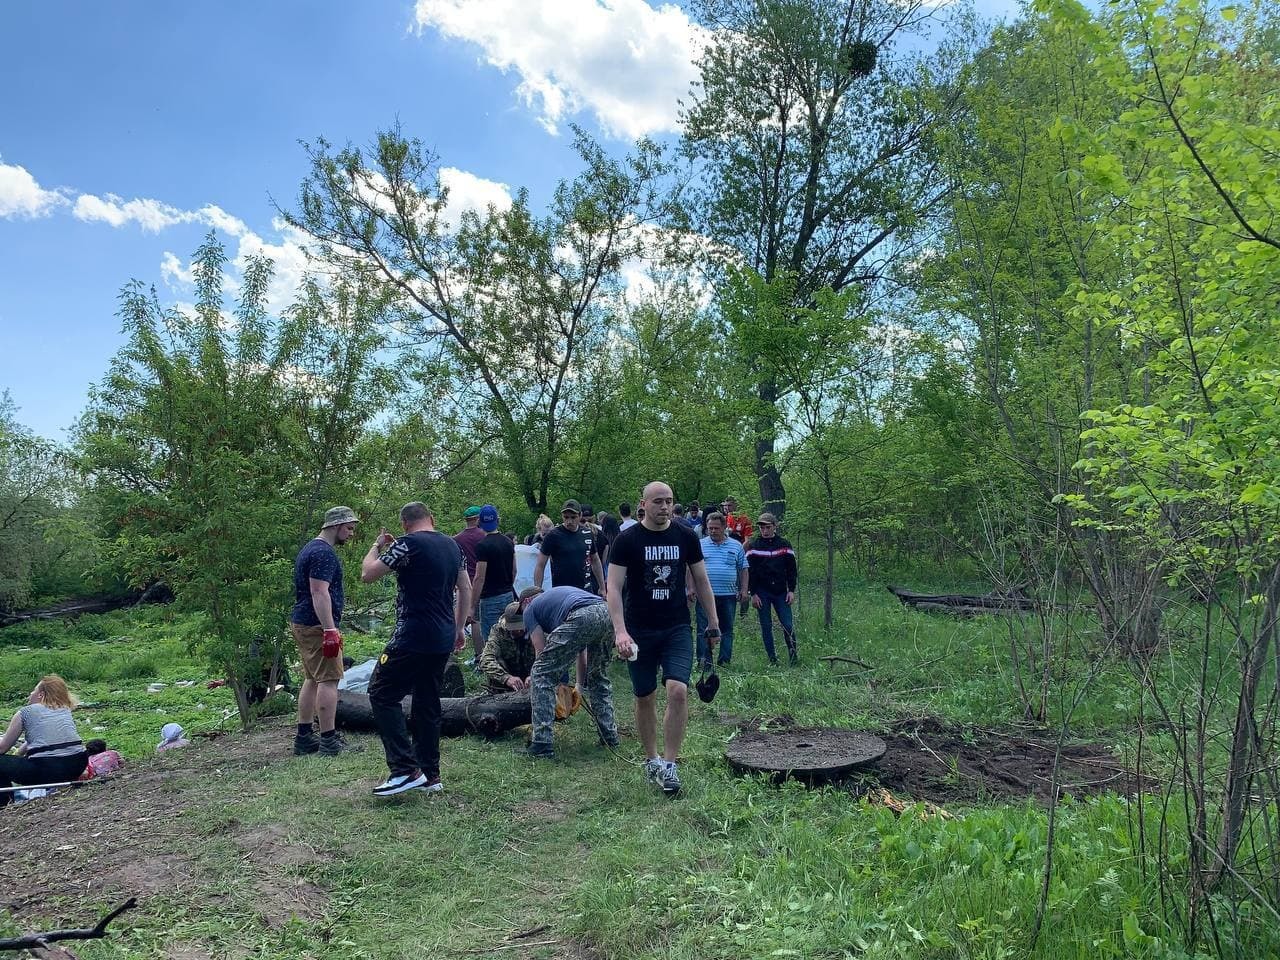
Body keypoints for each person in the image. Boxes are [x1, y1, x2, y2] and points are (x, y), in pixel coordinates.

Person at [607, 481, 721, 795]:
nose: (664, 507)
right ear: (642, 504)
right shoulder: (627, 540)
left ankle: (670, 766)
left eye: (669, 501)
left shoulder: (685, 535)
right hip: (638, 630)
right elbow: (613, 588)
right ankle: (651, 759)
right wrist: (620, 631)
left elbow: (701, 579)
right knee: (644, 696)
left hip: (676, 627)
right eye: (658, 501)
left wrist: (713, 622)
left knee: (678, 692)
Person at [360, 502, 471, 797]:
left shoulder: (407, 545)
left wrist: (376, 545)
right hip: (442, 636)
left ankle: (404, 769)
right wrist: (459, 628)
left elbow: (368, 573)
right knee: (427, 703)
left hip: (412, 635)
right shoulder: (453, 546)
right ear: (431, 519)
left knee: (381, 693)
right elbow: (466, 588)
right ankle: (431, 775)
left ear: (404, 524)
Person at [290, 505, 361, 757]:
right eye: (349, 528)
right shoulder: (324, 553)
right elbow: (319, 592)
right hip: (316, 625)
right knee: (329, 680)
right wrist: (330, 629)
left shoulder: (311, 548)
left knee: (312, 678)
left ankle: (304, 737)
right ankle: (329, 741)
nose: (351, 533)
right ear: (336, 526)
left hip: (303, 622)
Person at [521, 586, 620, 758]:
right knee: (598, 677)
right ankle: (610, 737)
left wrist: (541, 677)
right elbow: (580, 652)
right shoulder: (557, 603)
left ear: (526, 601)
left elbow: (540, 650)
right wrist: (579, 686)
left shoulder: (530, 608)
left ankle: (542, 744)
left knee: (540, 673)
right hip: (606, 611)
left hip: (582, 616)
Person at [0, 675, 88, 807]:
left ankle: (5, 804)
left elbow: (2, 748)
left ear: (40, 694)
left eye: (34, 690)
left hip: (47, 769)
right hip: (77, 765)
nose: (30, 693)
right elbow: (42, 742)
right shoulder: (64, 709)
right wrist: (19, 753)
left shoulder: (25, 712)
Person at [688, 512, 749, 667]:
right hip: (705, 595)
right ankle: (704, 661)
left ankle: (724, 661)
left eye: (716, 528)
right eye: (710, 528)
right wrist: (691, 587)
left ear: (724, 528)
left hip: (728, 594)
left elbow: (743, 569)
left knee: (727, 628)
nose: (713, 531)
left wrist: (743, 589)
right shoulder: (700, 544)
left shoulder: (736, 546)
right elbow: (690, 568)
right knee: (703, 628)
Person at [746, 512, 799, 665]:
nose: (765, 530)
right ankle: (772, 659)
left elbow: (791, 569)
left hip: (781, 591)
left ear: (775, 527)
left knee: (787, 624)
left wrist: (791, 590)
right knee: (766, 625)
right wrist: (753, 593)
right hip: (762, 591)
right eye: (762, 527)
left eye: (768, 527)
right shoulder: (754, 546)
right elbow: (750, 572)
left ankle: (793, 656)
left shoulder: (784, 544)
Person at [471, 504, 517, 660]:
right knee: (511, 636)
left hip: (489, 599)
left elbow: (479, 577)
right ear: (497, 521)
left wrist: (472, 605)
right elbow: (514, 570)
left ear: (480, 523)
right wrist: (508, 586)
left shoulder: (482, 546)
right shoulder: (508, 542)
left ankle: (496, 677)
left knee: (492, 641)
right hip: (508, 595)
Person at [534, 500, 605, 594]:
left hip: (585, 588)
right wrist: (537, 591)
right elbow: (540, 565)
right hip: (562, 590)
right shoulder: (553, 535)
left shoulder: (587, 534)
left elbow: (595, 560)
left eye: (573, 517)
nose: (569, 521)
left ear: (580, 516)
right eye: (566, 517)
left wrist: (602, 587)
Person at [478, 596, 537, 693]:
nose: (518, 631)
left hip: (534, 673)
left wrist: (535, 675)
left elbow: (549, 657)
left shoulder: (536, 629)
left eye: (521, 627)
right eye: (514, 628)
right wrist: (506, 678)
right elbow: (486, 659)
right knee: (497, 660)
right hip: (508, 677)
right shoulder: (499, 631)